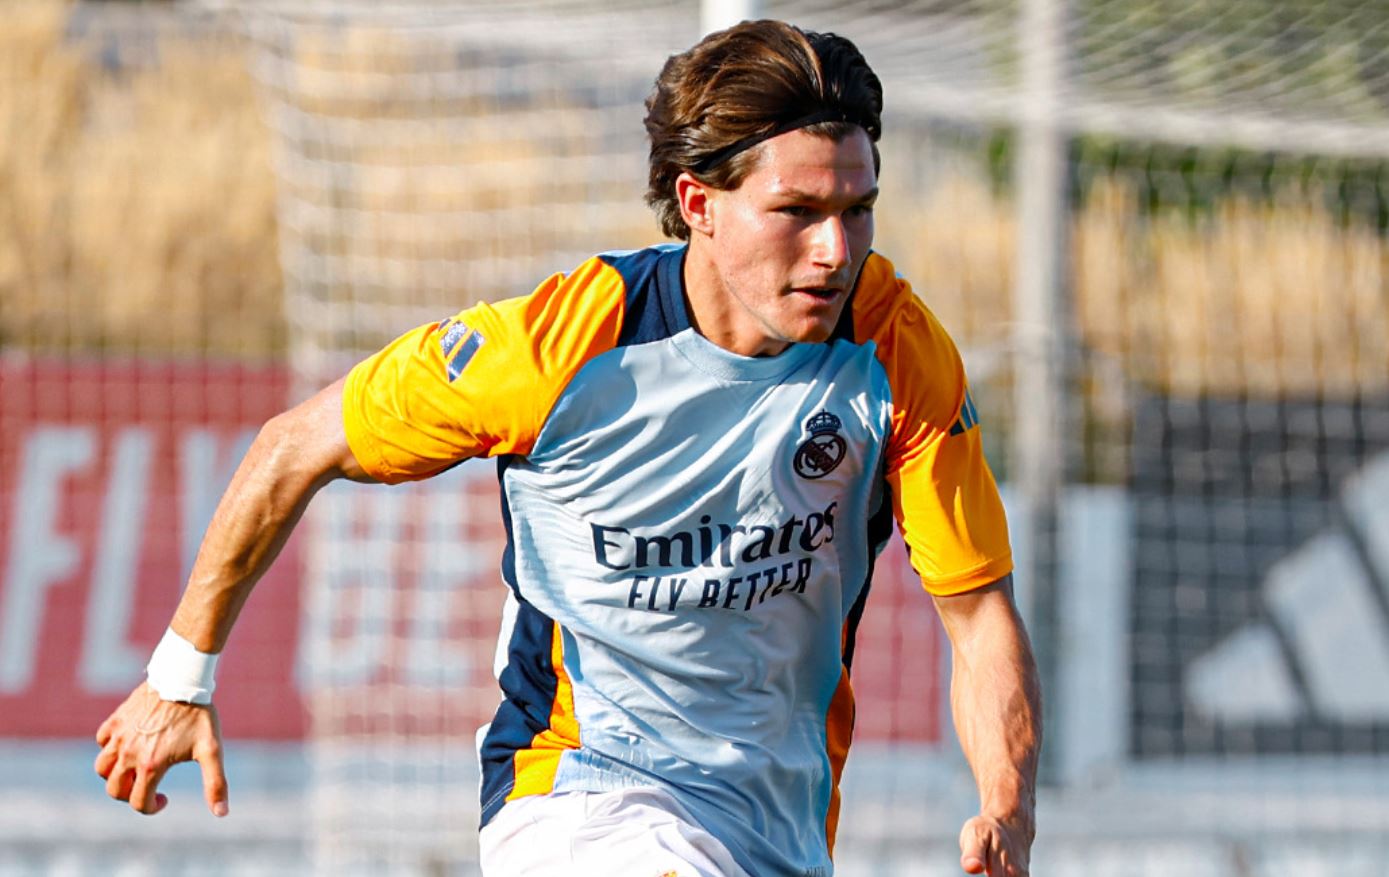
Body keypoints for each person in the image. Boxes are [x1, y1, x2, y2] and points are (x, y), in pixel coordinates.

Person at [95, 19, 1040, 877]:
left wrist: (1007, 810)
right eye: (796, 212)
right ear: (696, 203)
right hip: (577, 794)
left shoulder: (895, 350)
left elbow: (977, 614)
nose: (838, 251)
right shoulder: (557, 349)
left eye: (858, 209)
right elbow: (293, 445)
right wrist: (180, 675)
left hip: (778, 828)